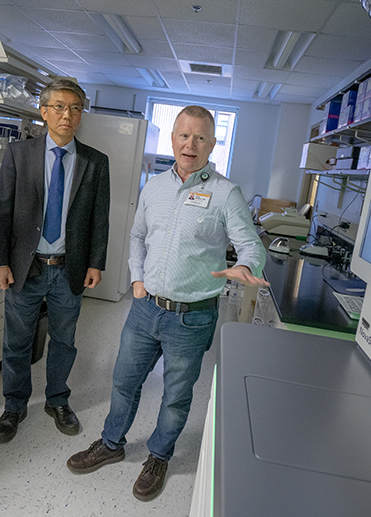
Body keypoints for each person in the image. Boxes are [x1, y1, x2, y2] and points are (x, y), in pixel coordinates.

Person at [67, 105, 269, 501]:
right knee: (124, 381)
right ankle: (111, 443)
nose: (189, 144)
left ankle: (159, 455)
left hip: (192, 318)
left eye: (199, 137)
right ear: (172, 139)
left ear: (211, 144)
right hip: (145, 309)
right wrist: (137, 279)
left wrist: (245, 266)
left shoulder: (226, 193)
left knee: (176, 396)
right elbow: (138, 235)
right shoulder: (154, 187)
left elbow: (251, 246)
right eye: (183, 135)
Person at [0, 78, 110, 443]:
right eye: (58, 106)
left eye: (75, 108)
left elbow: (99, 218)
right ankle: (14, 405)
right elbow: (3, 210)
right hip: (26, 266)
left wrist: (96, 263)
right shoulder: (18, 154)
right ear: (43, 112)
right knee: (16, 341)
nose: (66, 115)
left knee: (64, 341)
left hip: (68, 269)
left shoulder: (95, 161)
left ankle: (57, 399)